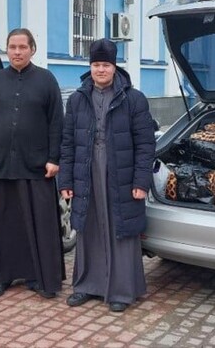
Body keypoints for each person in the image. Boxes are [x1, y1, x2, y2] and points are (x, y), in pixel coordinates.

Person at [59, 38, 156, 312]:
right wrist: (65, 180)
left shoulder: (133, 99)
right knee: (88, 227)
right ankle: (86, 285)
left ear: (115, 67)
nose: (100, 70)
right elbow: (67, 143)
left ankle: (121, 292)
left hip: (121, 173)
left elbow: (146, 144)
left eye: (106, 65)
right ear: (90, 67)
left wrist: (141, 181)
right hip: (86, 171)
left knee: (120, 228)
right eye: (96, 65)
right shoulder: (78, 99)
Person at [0, 28, 65, 299]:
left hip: (37, 166)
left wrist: (53, 158)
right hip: (1, 165)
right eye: (12, 47)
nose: (16, 52)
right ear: (7, 50)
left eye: (22, 47)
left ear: (32, 49)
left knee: (40, 224)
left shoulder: (46, 80)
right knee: (4, 225)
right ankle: (2, 277)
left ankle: (40, 277)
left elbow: (56, 124)